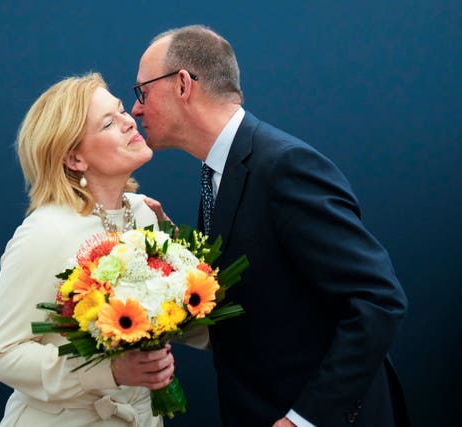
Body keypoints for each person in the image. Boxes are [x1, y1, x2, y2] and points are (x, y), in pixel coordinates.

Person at [132, 25, 410, 427]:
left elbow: (378, 299)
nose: (136, 108)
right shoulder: (217, 172)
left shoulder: (285, 167)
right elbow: (258, 288)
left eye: (143, 91)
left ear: (182, 85)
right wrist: (173, 251)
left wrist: (303, 418)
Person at [0, 72, 175, 427]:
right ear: (75, 159)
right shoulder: (44, 233)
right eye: (108, 123)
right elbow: (2, 355)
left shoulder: (146, 213)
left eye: (121, 111)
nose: (128, 121)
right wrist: (109, 371)